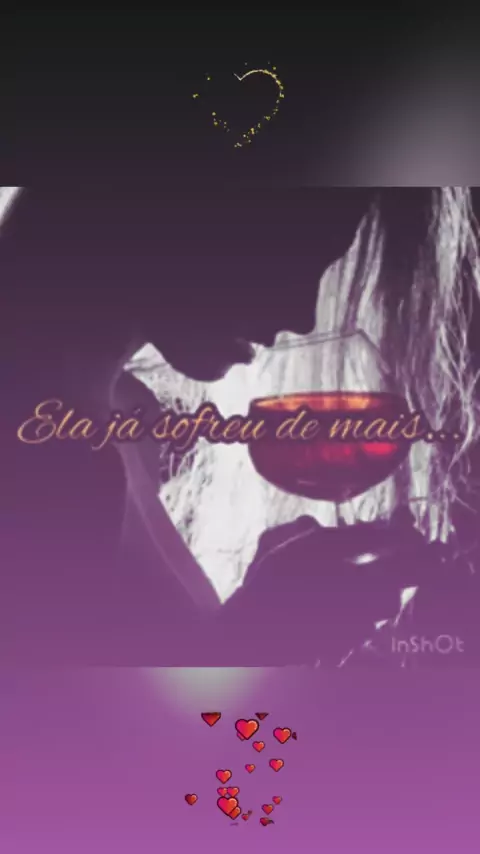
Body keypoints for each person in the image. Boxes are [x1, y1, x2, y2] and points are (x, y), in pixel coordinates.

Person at [3, 184, 480, 665]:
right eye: (285, 255)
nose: (301, 315)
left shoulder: (125, 413)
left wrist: (263, 616)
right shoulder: (38, 441)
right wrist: (251, 644)